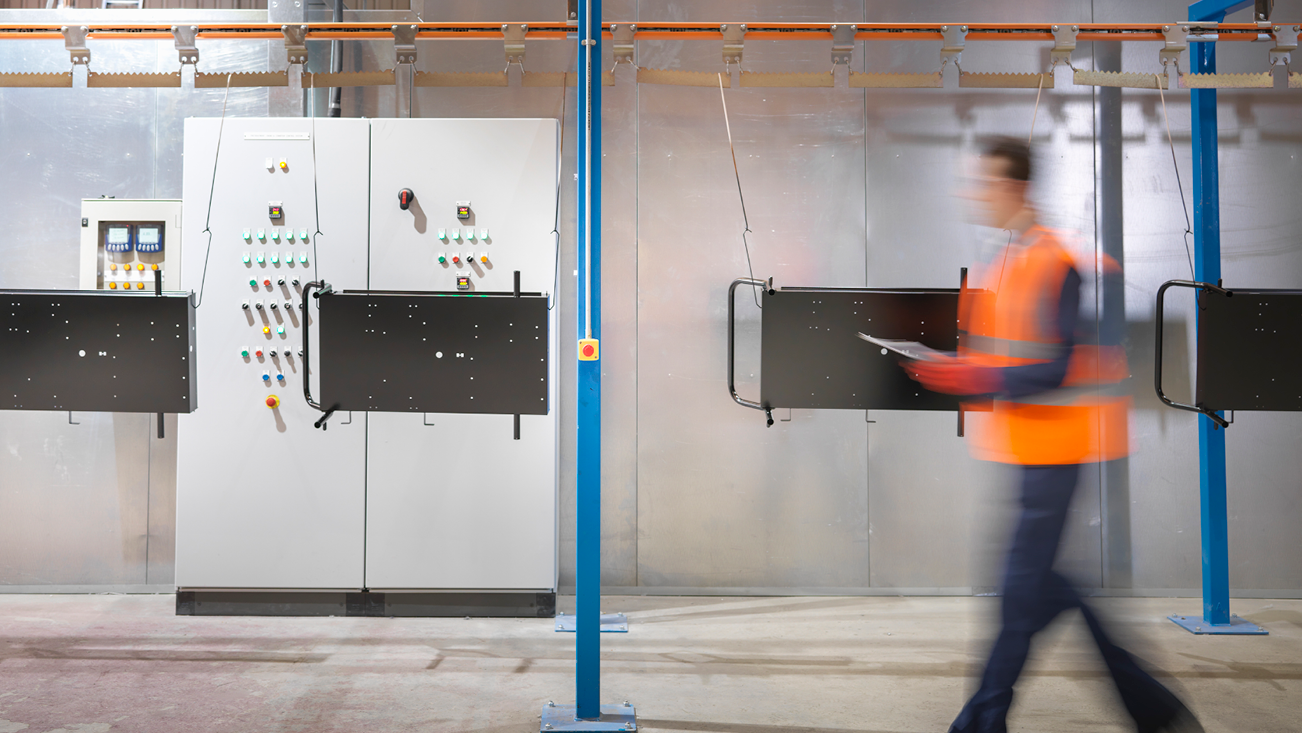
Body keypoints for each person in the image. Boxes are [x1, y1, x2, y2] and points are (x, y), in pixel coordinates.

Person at [905, 137, 1201, 733]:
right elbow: (1010, 354)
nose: (975, 193)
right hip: (1028, 446)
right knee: (1044, 590)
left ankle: (982, 721)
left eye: (985, 182)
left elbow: (1055, 365)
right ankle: (1156, 711)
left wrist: (970, 374)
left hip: (1060, 448)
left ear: (1015, 188)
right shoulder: (1011, 256)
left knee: (1019, 596)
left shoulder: (1053, 261)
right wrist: (964, 368)